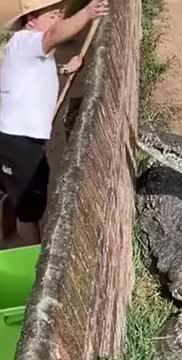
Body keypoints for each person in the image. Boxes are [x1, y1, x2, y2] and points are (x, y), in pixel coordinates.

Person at [0, 0, 108, 246]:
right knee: (30, 210)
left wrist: (64, 70)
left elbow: (31, 77)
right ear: (31, 20)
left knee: (15, 188)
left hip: (17, 138)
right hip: (20, 141)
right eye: (52, 15)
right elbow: (54, 34)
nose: (58, 19)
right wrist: (88, 13)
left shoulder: (29, 48)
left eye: (61, 14)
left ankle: (6, 233)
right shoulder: (27, 41)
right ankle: (32, 261)